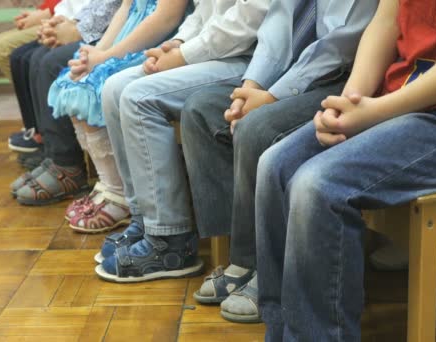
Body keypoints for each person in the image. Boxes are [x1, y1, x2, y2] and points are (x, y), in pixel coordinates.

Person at [254, 0, 436, 340]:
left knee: (317, 185)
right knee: (275, 165)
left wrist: (377, 111)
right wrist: (350, 101)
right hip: (401, 100)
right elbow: (386, 20)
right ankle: (281, 332)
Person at [180, 0, 377, 323]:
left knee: (257, 128)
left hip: (343, 78)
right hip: (289, 73)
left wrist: (271, 98)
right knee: (201, 110)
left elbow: (340, 43)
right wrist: (252, 87)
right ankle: (238, 253)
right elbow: (277, 25)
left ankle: (260, 265)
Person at [95, 0, 270, 282]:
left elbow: (252, 15)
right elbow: (205, 10)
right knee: (114, 88)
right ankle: (144, 218)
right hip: (211, 50)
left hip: (254, 59)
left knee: (139, 98)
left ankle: (170, 240)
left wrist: (184, 55)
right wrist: (176, 42)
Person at [46, 0, 190, 233]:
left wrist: (108, 57)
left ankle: (121, 193)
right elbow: (126, 8)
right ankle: (108, 183)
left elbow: (166, 18)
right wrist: (96, 52)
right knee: (73, 82)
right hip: (128, 34)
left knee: (95, 88)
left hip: (156, 43)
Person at [9, 1, 122, 205]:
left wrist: (79, 29)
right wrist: (68, 22)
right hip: (98, 26)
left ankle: (68, 165)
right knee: (36, 58)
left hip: (118, 33)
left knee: (52, 63)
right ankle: (53, 155)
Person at [0, 0, 59, 79]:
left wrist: (47, 13)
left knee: (3, 47)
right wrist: (42, 11)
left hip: (67, 18)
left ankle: (30, 90)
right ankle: (26, 90)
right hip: (56, 11)